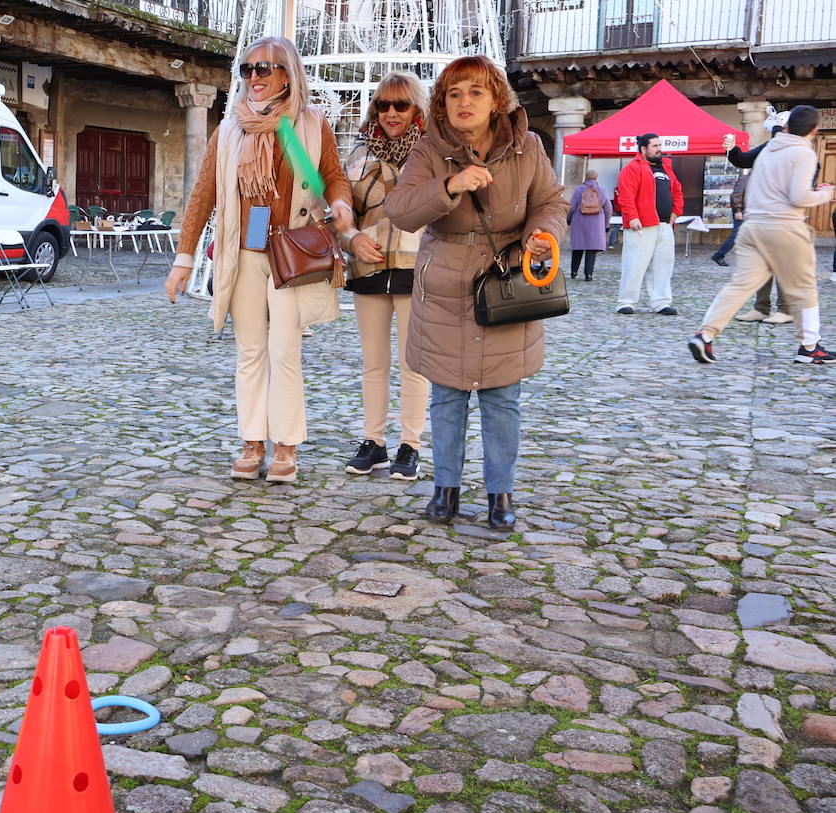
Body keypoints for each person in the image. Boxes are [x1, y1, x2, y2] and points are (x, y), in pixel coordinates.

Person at [385, 55, 568, 529]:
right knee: (446, 398)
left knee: (502, 400)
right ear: (443, 104)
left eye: (476, 92)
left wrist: (543, 233)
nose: (465, 102)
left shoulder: (528, 147)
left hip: (507, 285)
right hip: (445, 286)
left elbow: (550, 202)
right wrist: (450, 183)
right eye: (454, 93)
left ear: (496, 100)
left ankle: (499, 495)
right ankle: (444, 489)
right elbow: (402, 210)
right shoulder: (428, 149)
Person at [164, 35, 353, 483]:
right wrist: (184, 258)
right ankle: (252, 441)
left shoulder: (309, 124)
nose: (253, 77)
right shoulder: (229, 130)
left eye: (263, 69)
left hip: (292, 252)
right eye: (247, 69)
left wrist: (341, 204)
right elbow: (202, 195)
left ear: (287, 75)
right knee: (250, 351)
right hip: (244, 251)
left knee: (285, 350)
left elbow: (332, 176)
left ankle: (285, 445)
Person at [689, 105, 834, 365]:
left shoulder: (768, 149)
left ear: (786, 126)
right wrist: (825, 192)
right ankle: (809, 347)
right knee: (804, 288)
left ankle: (706, 334)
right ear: (814, 130)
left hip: (752, 227)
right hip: (784, 227)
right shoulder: (803, 152)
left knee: (740, 285)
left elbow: (744, 164)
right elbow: (799, 196)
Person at [339, 72, 431, 478]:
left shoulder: (434, 152)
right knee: (373, 364)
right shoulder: (359, 153)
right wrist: (352, 239)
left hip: (417, 266)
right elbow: (342, 211)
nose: (391, 113)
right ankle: (374, 441)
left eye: (400, 105)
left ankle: (410, 444)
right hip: (370, 266)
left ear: (416, 109)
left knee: (414, 364)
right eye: (383, 105)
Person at [723, 124, 793, 324]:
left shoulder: (799, 151)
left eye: (783, 131)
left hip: (784, 216)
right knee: (763, 263)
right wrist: (733, 148)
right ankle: (761, 308)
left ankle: (786, 309)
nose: (778, 136)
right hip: (762, 213)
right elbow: (743, 160)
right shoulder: (769, 146)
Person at [615, 133, 682, 316]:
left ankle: (661, 302)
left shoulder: (667, 168)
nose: (659, 149)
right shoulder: (632, 168)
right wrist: (632, 216)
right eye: (655, 146)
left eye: (660, 145)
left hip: (665, 225)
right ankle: (626, 302)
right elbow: (625, 195)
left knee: (663, 265)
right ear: (644, 149)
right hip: (642, 225)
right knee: (634, 264)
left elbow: (677, 191)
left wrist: (676, 212)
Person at [567, 169, 610, 281]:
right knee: (592, 250)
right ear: (596, 178)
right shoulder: (602, 191)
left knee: (578, 248)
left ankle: (574, 272)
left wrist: (568, 219)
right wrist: (605, 225)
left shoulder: (578, 190)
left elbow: (571, 207)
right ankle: (588, 274)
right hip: (596, 223)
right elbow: (608, 209)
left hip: (579, 222)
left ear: (585, 178)